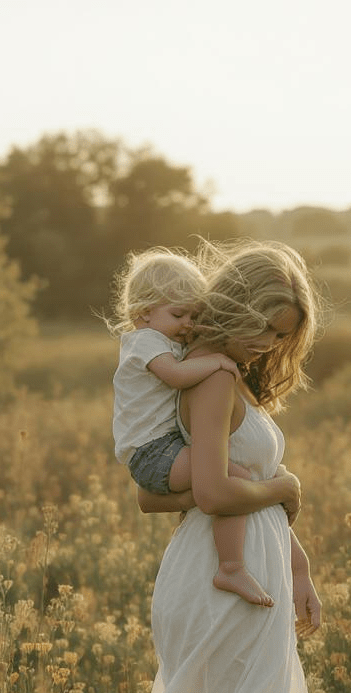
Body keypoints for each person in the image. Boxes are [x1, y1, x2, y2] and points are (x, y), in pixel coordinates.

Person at [78, 239, 324, 693]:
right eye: (269, 326)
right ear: (240, 307)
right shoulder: (213, 382)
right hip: (225, 584)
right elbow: (215, 494)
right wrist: (285, 491)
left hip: (245, 570)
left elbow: (172, 492)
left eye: (284, 335)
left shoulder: (220, 379)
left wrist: (298, 562)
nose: (272, 344)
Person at [110, 247, 275, 606]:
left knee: (222, 482)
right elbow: (176, 376)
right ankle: (230, 566)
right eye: (178, 313)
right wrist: (217, 360)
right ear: (143, 315)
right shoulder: (146, 342)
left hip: (160, 450)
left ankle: (209, 531)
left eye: (194, 314)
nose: (187, 323)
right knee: (237, 480)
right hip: (154, 453)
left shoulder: (161, 339)